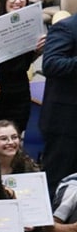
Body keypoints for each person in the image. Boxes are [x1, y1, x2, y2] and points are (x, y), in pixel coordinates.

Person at [0, 0, 46, 135]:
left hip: (19, 90)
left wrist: (38, 52)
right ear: (3, 0)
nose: (18, 1)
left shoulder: (31, 26)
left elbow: (25, 63)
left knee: (14, 139)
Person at [39, 13, 77, 197]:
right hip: (66, 123)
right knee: (57, 180)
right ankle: (50, 225)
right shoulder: (66, 28)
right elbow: (51, 64)